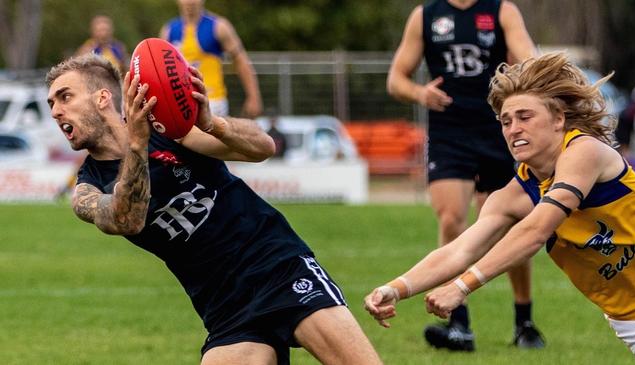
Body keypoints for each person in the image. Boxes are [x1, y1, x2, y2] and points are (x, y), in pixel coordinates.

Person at [45, 54, 382, 365]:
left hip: (275, 265)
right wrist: (137, 145)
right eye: (52, 103)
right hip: (224, 310)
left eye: (65, 97)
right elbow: (128, 219)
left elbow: (263, 147)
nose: (56, 110)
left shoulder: (172, 132)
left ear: (103, 98)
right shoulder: (87, 189)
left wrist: (209, 121)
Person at [365, 52, 635, 364]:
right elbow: (459, 251)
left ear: (558, 119)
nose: (513, 129)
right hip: (634, 320)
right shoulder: (514, 195)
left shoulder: (584, 151)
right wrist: (396, 288)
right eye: (505, 121)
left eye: (525, 117)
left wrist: (461, 287)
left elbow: (536, 230)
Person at [386, 0, 542, 351]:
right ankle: (458, 325)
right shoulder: (425, 15)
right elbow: (396, 79)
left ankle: (524, 321)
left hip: (498, 131)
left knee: (512, 225)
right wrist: (419, 93)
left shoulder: (501, 10)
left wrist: (522, 85)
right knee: (452, 219)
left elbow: (529, 60)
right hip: (449, 133)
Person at [160, 0, 263, 118]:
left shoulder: (219, 26)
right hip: (181, 103)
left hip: (213, 101)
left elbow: (241, 61)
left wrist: (254, 96)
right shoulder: (168, 30)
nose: (190, 2)